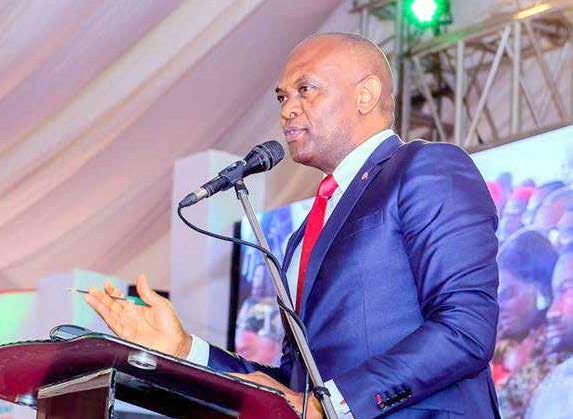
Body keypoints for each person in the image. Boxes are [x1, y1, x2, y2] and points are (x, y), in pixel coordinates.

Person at [85, 33, 500, 418]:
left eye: (306, 89)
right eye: (282, 96)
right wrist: (184, 350)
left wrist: (332, 403)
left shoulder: (425, 168)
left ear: (366, 94)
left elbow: (465, 328)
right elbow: (295, 387)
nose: (287, 110)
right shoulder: (302, 236)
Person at [491, 230, 558, 417]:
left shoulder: (555, 348)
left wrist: (519, 373)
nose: (499, 306)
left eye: (507, 294)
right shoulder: (501, 341)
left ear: (541, 290)